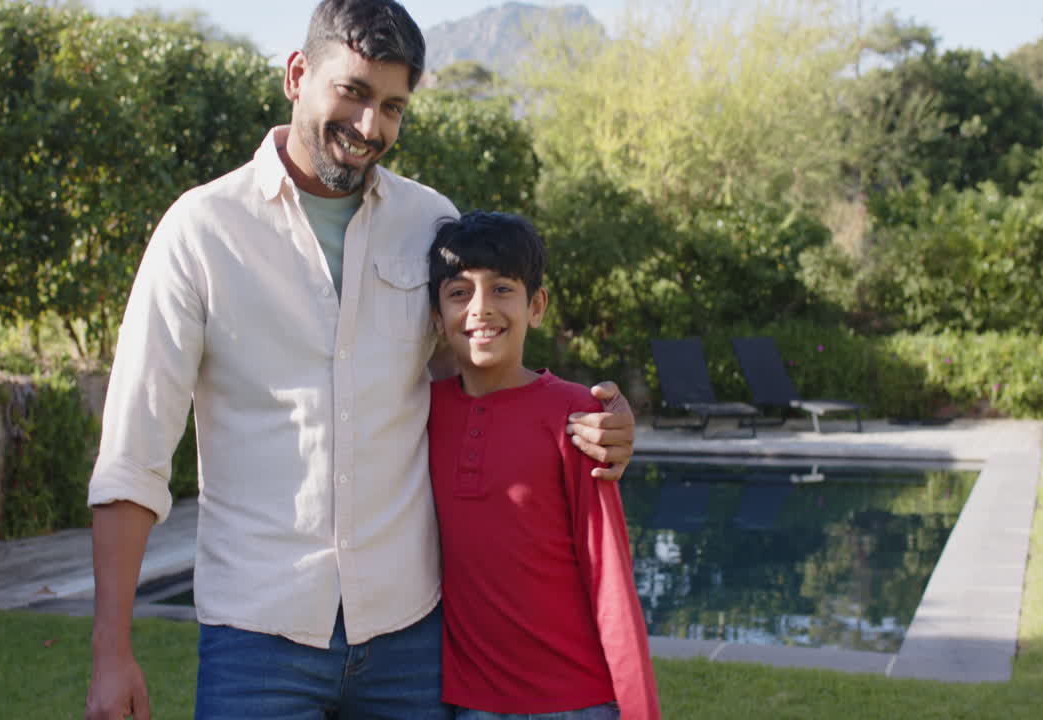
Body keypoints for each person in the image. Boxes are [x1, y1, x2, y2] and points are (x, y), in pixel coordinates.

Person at [84, 2, 636, 719]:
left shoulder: (429, 221)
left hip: (409, 635)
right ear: (297, 74)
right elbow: (134, 453)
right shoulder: (201, 231)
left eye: (393, 106)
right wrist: (111, 653)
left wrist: (593, 421)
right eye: (354, 93)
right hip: (258, 636)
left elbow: (482, 375)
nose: (371, 126)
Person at [427, 211, 660, 720]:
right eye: (459, 292)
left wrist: (639, 708)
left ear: (536, 306)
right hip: (469, 702)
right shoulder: (421, 411)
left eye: (502, 289)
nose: (480, 309)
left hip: (574, 701)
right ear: (437, 316)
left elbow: (609, 573)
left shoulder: (575, 416)